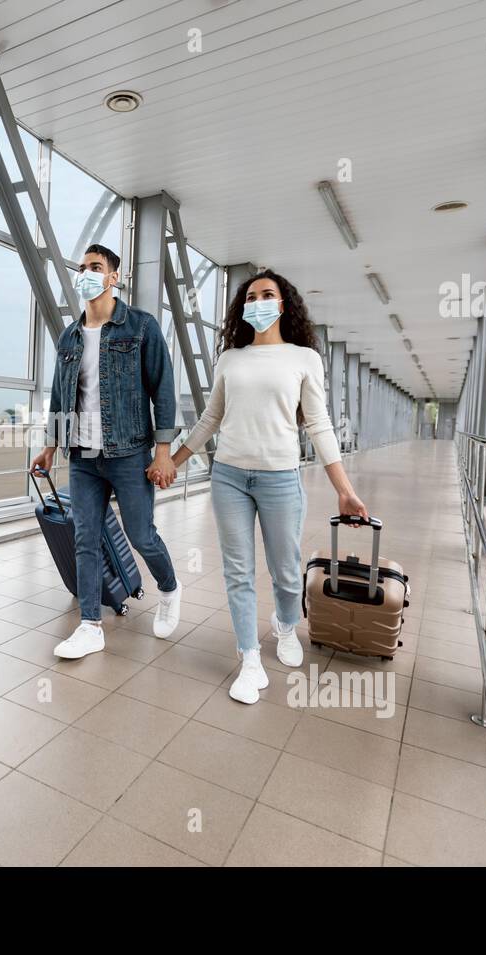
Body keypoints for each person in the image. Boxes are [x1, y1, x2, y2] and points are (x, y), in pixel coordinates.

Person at [166, 269, 369, 704]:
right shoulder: (230, 360)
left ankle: (284, 624)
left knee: (285, 569)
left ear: (283, 303)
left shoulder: (303, 358)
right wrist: (172, 463)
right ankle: (250, 658)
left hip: (280, 478)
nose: (258, 301)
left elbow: (319, 425)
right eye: (251, 295)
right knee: (238, 572)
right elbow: (210, 420)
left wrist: (344, 490)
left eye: (267, 294)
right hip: (229, 478)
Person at [30, 244, 182, 659]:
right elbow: (61, 397)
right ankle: (91, 625)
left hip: (129, 452)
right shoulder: (69, 336)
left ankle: (169, 588)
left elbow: (163, 390)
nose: (86, 273)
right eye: (82, 267)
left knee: (140, 535)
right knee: (85, 538)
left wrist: (163, 452)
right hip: (82, 456)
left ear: (114, 277)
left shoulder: (141, 327)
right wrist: (50, 446)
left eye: (95, 267)